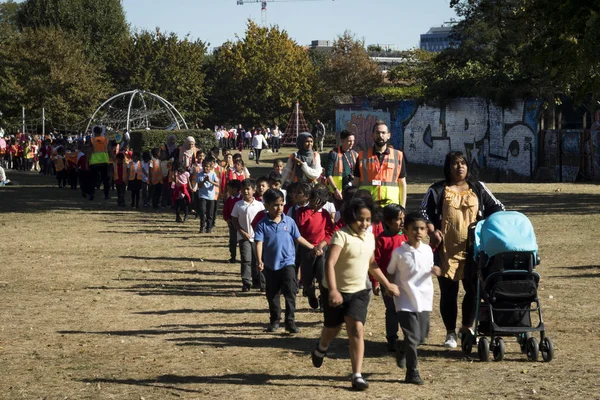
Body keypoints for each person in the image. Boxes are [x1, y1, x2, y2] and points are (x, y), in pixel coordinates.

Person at [311, 197, 400, 391]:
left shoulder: (369, 237)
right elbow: (329, 263)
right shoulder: (341, 236)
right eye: (360, 219)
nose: (364, 223)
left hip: (359, 291)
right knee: (332, 329)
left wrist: (386, 284)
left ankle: (357, 375)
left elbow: (371, 263)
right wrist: (333, 290)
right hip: (335, 291)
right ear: (351, 217)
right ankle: (321, 347)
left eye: (368, 220)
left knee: (356, 329)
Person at [420, 151, 505, 348]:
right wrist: (432, 230)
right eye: (455, 164)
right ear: (448, 168)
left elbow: (499, 208)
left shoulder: (478, 188)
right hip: (445, 250)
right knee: (449, 292)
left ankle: (467, 329)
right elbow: (423, 213)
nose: (460, 167)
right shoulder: (437, 190)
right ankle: (450, 333)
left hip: (475, 250)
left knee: (474, 289)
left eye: (463, 163)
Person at [387, 212, 442, 385]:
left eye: (422, 229)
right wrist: (390, 286)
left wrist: (435, 270)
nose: (418, 232)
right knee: (412, 337)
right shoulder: (399, 252)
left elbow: (428, 267)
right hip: (404, 300)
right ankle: (412, 372)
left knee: (421, 337)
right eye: (414, 229)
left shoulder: (427, 250)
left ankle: (402, 348)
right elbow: (390, 272)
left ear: (427, 231)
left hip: (424, 299)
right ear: (406, 231)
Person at [255, 189, 317, 333]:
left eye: (282, 204)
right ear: (267, 206)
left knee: (290, 292)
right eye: (275, 205)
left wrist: (312, 247)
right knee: (272, 295)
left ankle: (290, 321)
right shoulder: (262, 224)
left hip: (288, 263)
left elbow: (298, 238)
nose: (279, 208)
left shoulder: (289, 221)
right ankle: (275, 320)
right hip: (271, 265)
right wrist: (259, 260)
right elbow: (259, 243)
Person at [374, 203, 407, 351]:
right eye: (398, 219)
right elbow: (375, 262)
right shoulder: (382, 239)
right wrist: (376, 282)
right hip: (388, 281)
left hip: (406, 279)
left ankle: (409, 337)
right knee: (392, 309)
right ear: (387, 221)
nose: (402, 222)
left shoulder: (406, 236)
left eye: (403, 218)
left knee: (406, 309)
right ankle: (392, 338)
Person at [296, 184, 335, 310]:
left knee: (322, 276)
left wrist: (321, 246)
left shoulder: (325, 214)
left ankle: (324, 300)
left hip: (321, 249)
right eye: (314, 201)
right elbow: (300, 223)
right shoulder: (302, 211)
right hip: (306, 248)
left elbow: (330, 232)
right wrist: (311, 209)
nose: (317, 204)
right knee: (307, 277)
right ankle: (310, 293)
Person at [353, 121, 407, 207]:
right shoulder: (362, 156)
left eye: (383, 133)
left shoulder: (398, 156)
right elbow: (355, 183)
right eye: (377, 132)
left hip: (391, 207)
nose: (380, 135)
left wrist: (402, 207)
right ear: (372, 135)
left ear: (388, 135)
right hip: (368, 205)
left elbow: (402, 184)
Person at [231, 179, 266, 292]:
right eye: (243, 189)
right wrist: (242, 232)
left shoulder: (260, 205)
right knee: (246, 259)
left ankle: (259, 282)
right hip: (244, 237)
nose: (245, 192)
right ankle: (246, 282)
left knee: (258, 259)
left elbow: (263, 220)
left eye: (248, 189)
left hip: (257, 237)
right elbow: (234, 220)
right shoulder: (238, 204)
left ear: (253, 190)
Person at [326, 130, 358, 201]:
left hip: (350, 190)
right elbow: (328, 174)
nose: (351, 143)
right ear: (342, 140)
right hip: (337, 192)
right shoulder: (333, 154)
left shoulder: (355, 154)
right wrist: (335, 189)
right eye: (349, 141)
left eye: (353, 140)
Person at [195, 158, 219, 233]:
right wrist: (204, 180)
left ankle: (209, 228)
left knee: (210, 213)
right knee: (202, 211)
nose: (206, 168)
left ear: (210, 167)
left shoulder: (213, 174)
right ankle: (202, 226)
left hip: (211, 197)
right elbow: (199, 186)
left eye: (208, 166)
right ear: (202, 166)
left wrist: (210, 181)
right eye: (204, 166)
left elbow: (217, 184)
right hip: (202, 196)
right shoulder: (199, 175)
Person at [88, 125, 111, 200]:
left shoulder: (92, 140)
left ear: (94, 132)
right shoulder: (106, 140)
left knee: (92, 179)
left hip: (94, 162)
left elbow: (90, 151)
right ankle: (106, 195)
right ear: (101, 132)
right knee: (105, 180)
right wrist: (112, 159)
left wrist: (87, 161)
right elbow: (110, 150)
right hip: (104, 161)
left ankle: (91, 194)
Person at [223, 179, 242, 263]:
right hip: (232, 224)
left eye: (229, 189)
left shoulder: (242, 199)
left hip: (242, 224)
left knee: (242, 241)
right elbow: (225, 211)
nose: (228, 191)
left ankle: (244, 257)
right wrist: (227, 219)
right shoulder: (228, 200)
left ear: (235, 189)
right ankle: (233, 257)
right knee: (232, 241)